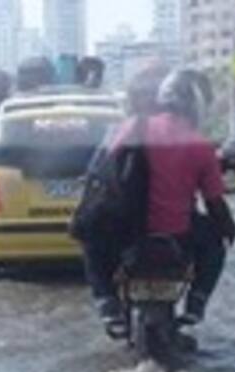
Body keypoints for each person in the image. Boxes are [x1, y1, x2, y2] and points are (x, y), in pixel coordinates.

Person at [99, 68, 235, 329]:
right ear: (196, 107)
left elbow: (105, 171)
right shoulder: (201, 146)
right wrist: (229, 229)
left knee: (92, 243)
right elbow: (215, 203)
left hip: (127, 232)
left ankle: (107, 304)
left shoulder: (133, 127)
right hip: (179, 234)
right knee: (215, 246)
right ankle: (196, 304)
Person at [80, 64, 169, 327]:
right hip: (174, 228)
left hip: (123, 225)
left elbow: (97, 170)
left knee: (91, 245)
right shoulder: (182, 132)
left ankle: (106, 301)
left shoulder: (119, 131)